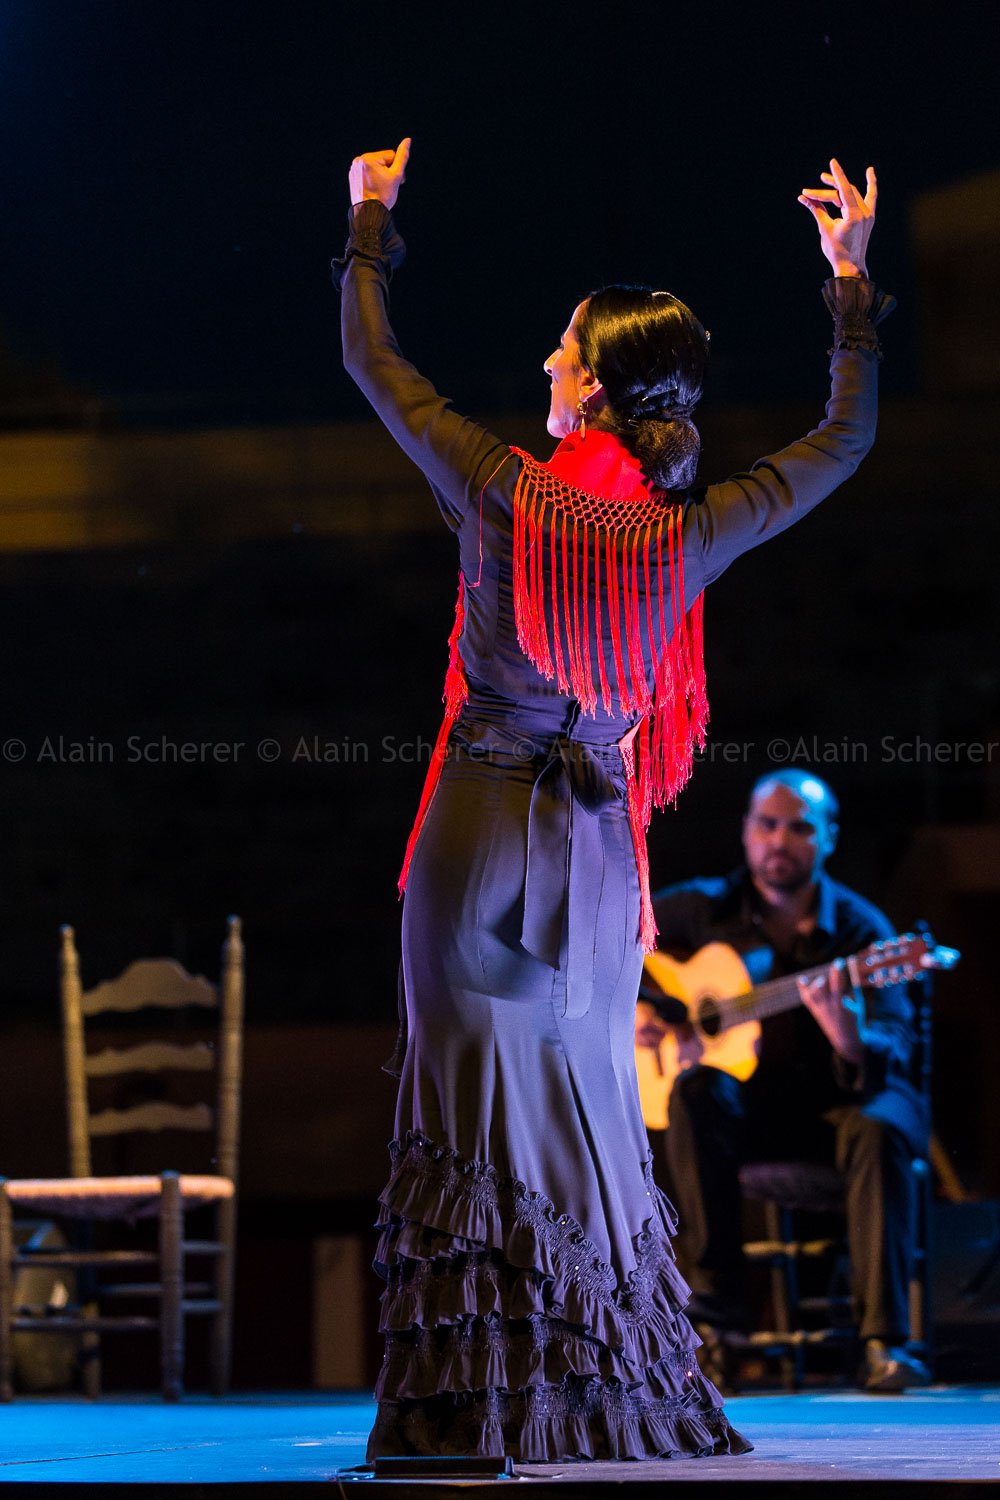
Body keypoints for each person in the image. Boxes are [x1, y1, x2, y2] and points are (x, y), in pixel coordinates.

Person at [333, 138, 891, 1460]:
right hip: (595, 850)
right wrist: (849, 287)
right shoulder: (689, 530)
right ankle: (591, 1403)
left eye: (561, 350)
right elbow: (847, 438)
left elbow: (373, 363)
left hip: (487, 830)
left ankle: (475, 1405)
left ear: (591, 383)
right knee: (582, 1116)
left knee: (479, 1106)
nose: (544, 364)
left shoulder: (503, 492)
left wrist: (368, 224)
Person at [635, 770, 931, 1392]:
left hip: (837, 1109)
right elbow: (610, 945)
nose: (779, 840)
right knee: (696, 1093)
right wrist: (654, 1013)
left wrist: (849, 1036)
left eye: (799, 828)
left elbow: (898, 1045)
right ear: (746, 831)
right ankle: (713, 1330)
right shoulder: (703, 908)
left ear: (828, 838)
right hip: (755, 1115)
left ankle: (884, 1344)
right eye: (767, 825)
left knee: (881, 1125)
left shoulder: (863, 933)